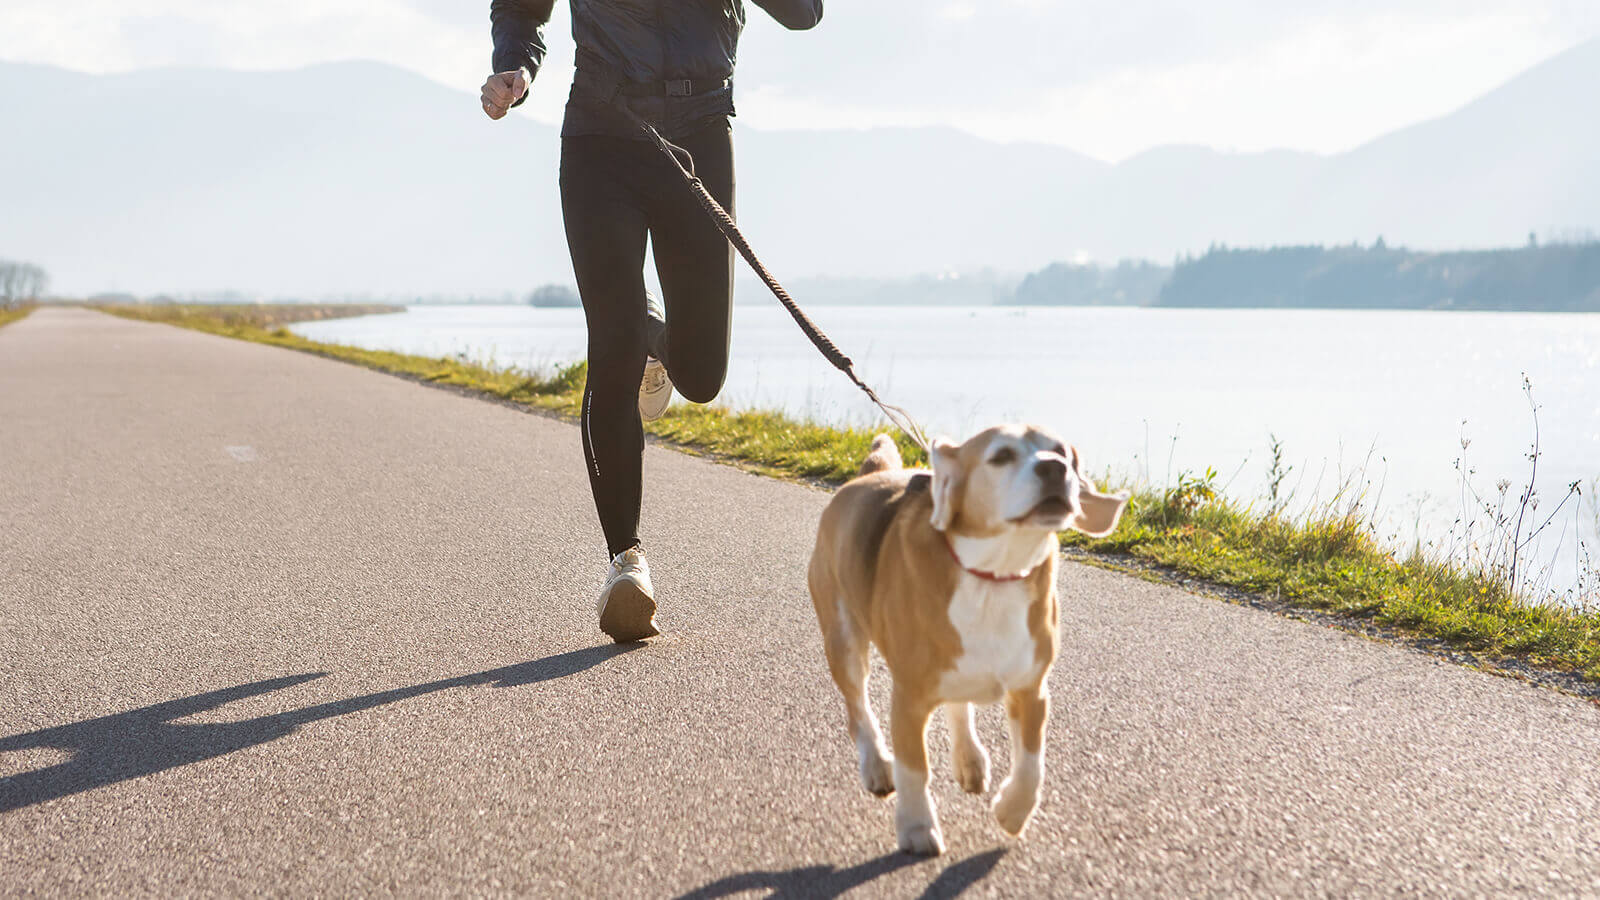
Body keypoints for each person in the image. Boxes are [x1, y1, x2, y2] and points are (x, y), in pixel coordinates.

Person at [482, 1, 823, 642]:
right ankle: (626, 562)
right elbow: (523, 6)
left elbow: (805, 14)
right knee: (612, 344)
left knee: (701, 375)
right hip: (601, 136)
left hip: (699, 134)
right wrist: (516, 66)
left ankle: (652, 335)